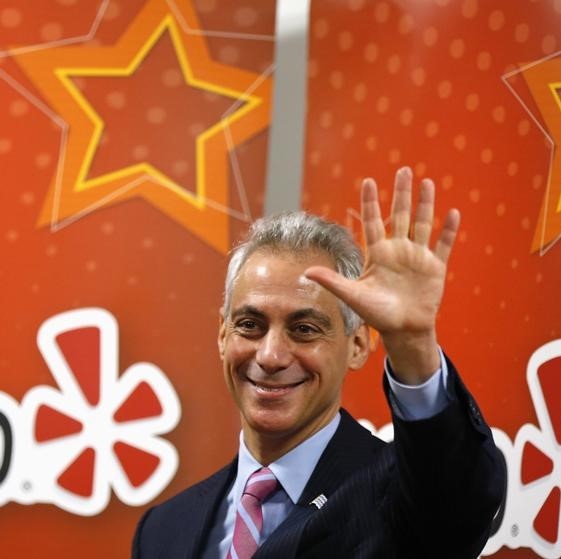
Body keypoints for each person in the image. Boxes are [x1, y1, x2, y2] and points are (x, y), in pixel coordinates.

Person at [132, 167, 505, 558]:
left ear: (358, 344)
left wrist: (411, 343)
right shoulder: (164, 529)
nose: (271, 355)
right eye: (249, 325)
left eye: (305, 329)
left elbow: (461, 502)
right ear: (223, 336)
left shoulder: (401, 497)